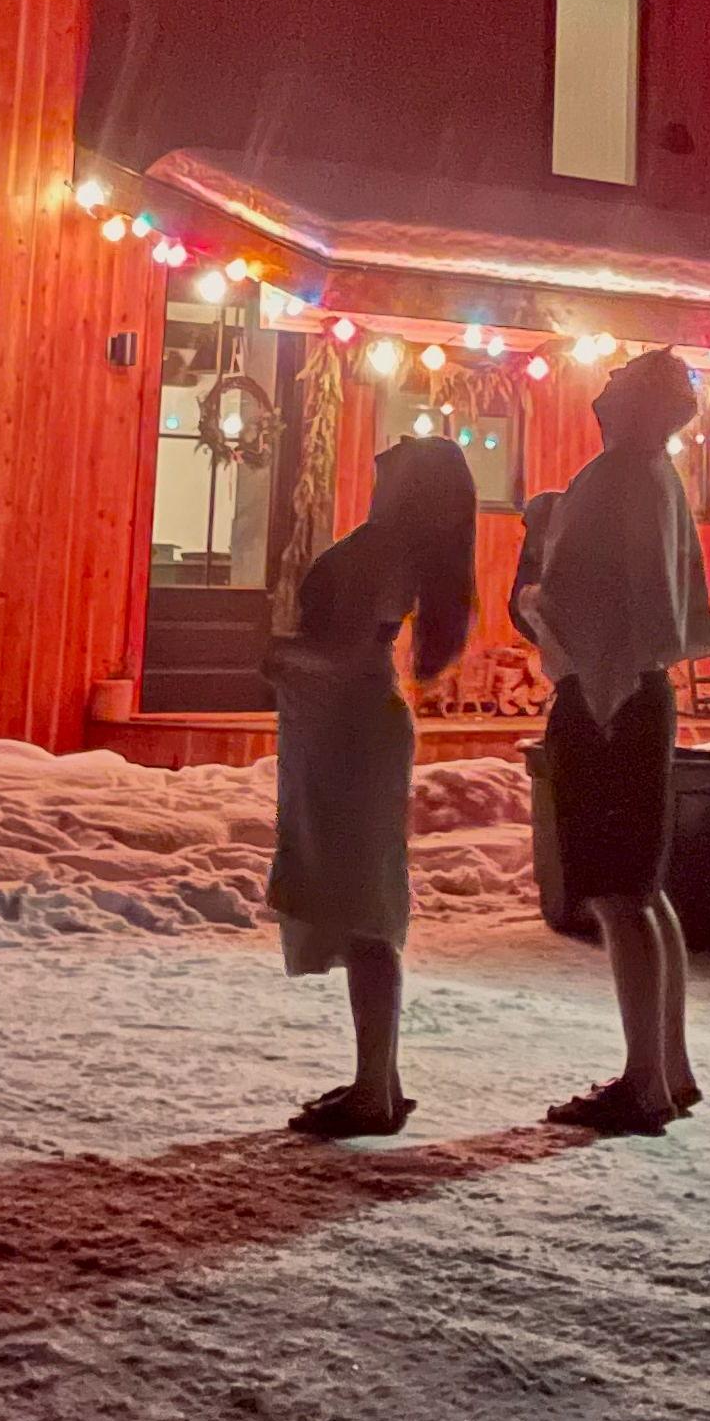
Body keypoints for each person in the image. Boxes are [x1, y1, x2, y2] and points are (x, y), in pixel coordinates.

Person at [517, 349, 710, 1133]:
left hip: (606, 697)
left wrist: (537, 562)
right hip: (646, 693)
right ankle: (670, 1068)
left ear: (634, 404)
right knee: (645, 890)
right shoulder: (663, 479)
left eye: (616, 382)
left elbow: (575, 599)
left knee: (616, 893)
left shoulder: (612, 478)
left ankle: (643, 1082)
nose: (599, 391)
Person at [261, 433, 478, 1138]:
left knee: (363, 907)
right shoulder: (389, 548)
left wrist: (278, 657)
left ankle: (374, 1089)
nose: (381, 454)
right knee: (358, 901)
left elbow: (346, 652)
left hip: (351, 732)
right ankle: (375, 1078)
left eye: (399, 457)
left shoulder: (384, 551)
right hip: (342, 727)